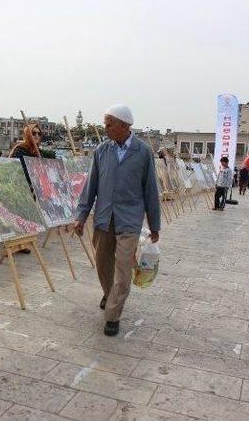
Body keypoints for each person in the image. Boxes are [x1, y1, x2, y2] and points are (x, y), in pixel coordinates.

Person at [75, 104, 160, 337]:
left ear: (124, 126)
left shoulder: (143, 152)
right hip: (104, 218)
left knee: (123, 268)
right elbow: (90, 187)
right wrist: (81, 217)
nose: (106, 129)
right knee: (103, 263)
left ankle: (112, 315)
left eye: (109, 124)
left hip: (129, 221)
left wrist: (155, 225)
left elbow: (151, 190)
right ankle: (109, 293)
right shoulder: (102, 151)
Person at [8, 123, 43, 254]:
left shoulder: (37, 151)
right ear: (27, 134)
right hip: (19, 188)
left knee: (26, 216)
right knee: (18, 216)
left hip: (32, 189)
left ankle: (22, 244)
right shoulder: (20, 149)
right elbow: (14, 170)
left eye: (39, 133)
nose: (37, 136)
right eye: (33, 133)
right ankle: (13, 245)